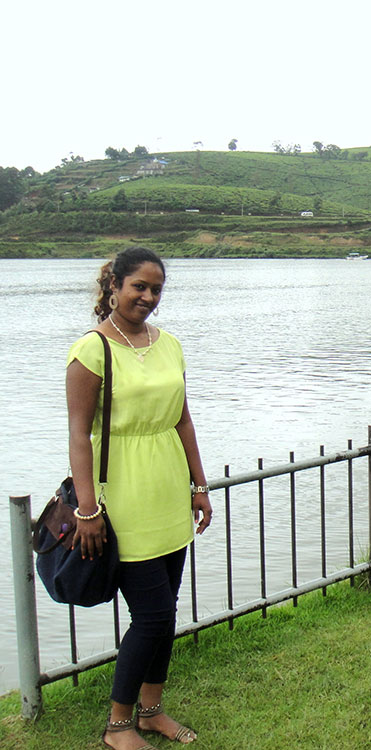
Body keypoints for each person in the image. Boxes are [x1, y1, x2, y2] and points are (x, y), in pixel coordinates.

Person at [67, 247, 212, 750]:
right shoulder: (92, 350)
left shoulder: (168, 344)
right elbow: (78, 435)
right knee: (151, 616)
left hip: (168, 491)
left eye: (156, 290)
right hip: (122, 497)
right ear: (114, 286)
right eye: (139, 288)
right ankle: (117, 725)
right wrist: (88, 509)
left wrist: (198, 484)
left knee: (165, 610)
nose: (147, 298)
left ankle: (151, 711)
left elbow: (182, 418)